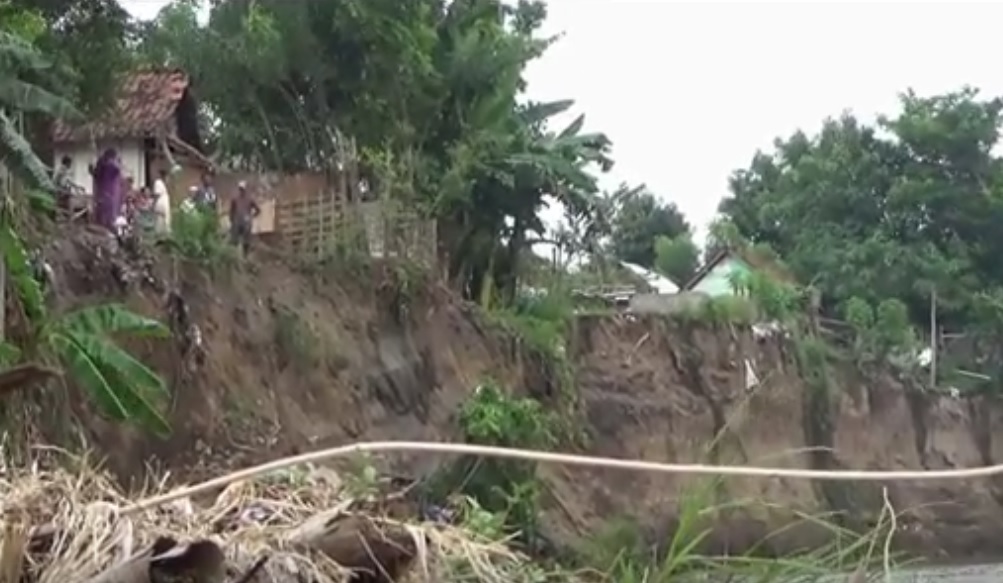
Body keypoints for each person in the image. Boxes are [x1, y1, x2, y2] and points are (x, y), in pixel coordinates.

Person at [91, 149, 122, 232]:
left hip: (102, 193)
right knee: (109, 214)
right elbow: (117, 169)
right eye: (114, 158)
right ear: (111, 158)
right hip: (110, 193)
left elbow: (96, 175)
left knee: (103, 213)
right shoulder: (111, 166)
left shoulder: (103, 165)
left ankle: (103, 226)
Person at [229, 181, 260, 255]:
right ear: (239, 189)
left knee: (246, 240)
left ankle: (245, 255)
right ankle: (234, 255)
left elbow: (258, 210)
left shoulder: (250, 199)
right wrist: (232, 219)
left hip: (246, 222)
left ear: (246, 189)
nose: (242, 190)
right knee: (234, 240)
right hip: (237, 221)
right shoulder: (235, 199)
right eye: (240, 189)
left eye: (243, 189)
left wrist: (251, 216)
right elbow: (231, 210)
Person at [152, 168, 172, 234]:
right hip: (161, 204)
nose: (168, 179)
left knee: (165, 221)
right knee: (160, 221)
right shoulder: (158, 182)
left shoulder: (164, 185)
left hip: (164, 205)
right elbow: (156, 195)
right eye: (167, 177)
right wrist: (154, 205)